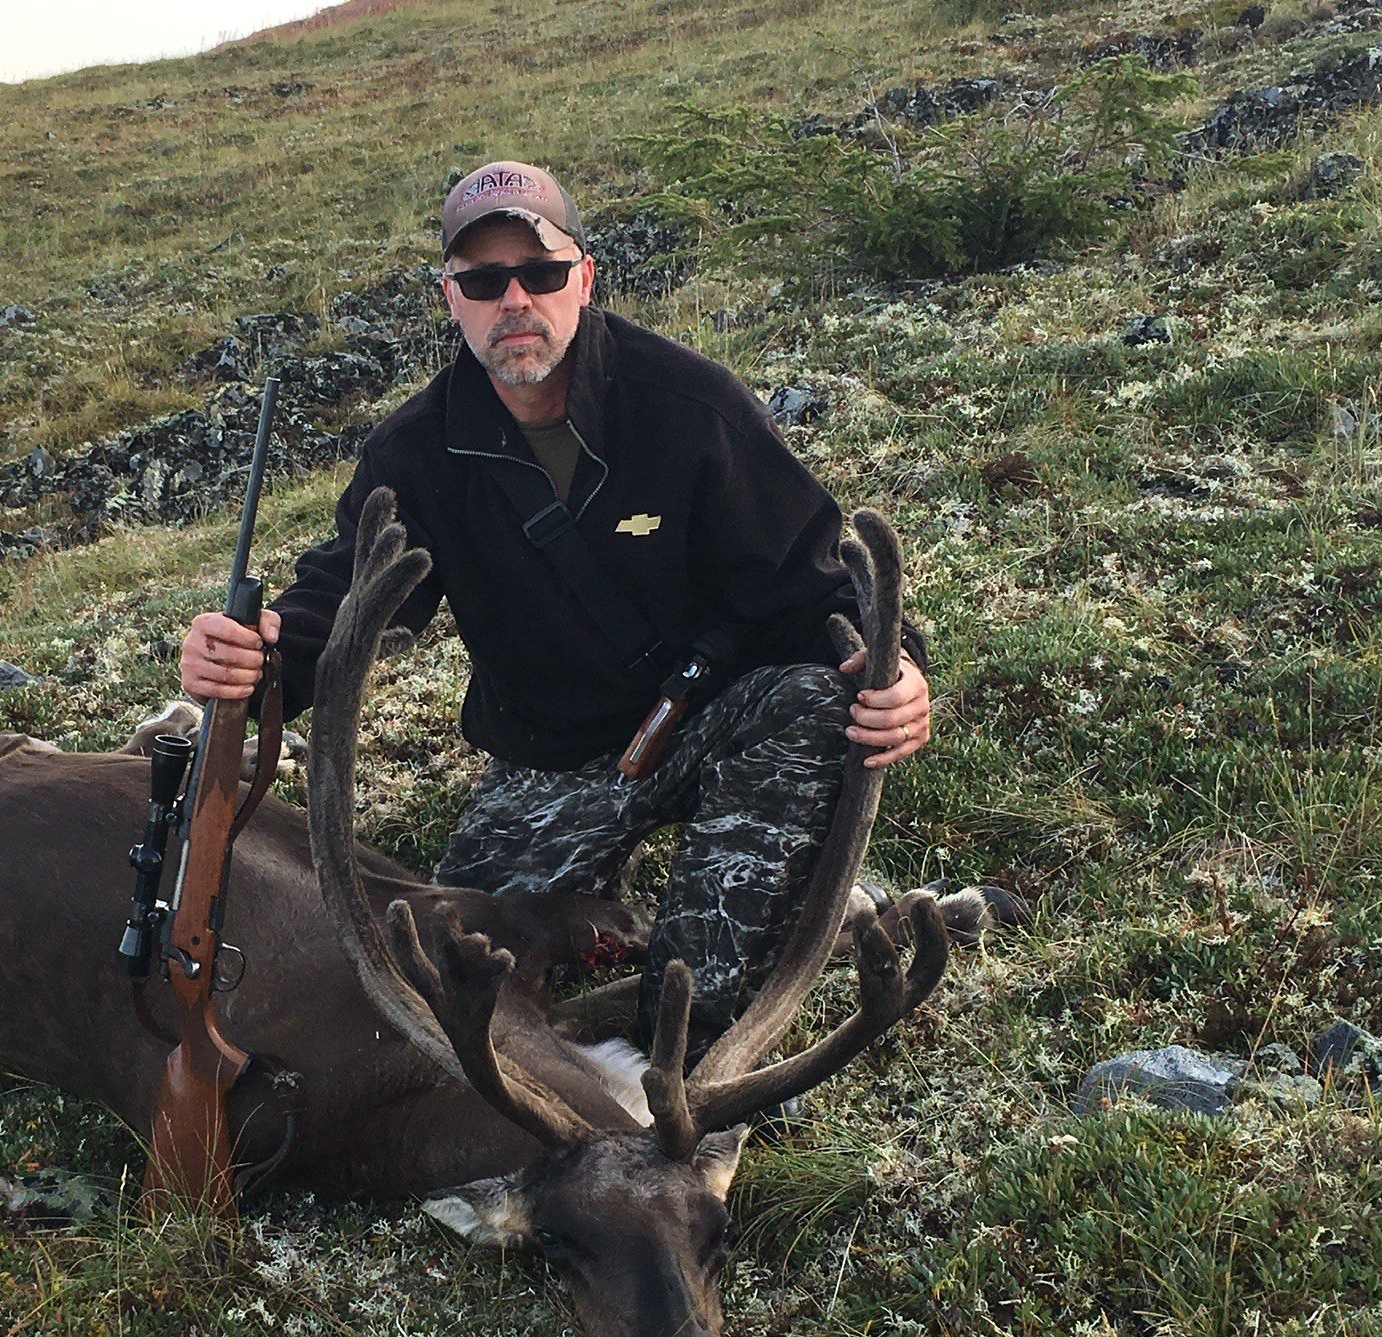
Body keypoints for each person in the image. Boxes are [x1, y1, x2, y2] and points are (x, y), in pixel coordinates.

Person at [179, 160, 932, 1053]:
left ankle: (688, 1025)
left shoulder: (690, 407)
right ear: (450, 298)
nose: (514, 301)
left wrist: (904, 671)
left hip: (713, 712)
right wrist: (260, 658)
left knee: (821, 705)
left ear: (583, 279)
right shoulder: (414, 454)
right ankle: (786, 910)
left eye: (539, 274)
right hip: (554, 758)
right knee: (451, 970)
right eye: (484, 281)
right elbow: (343, 596)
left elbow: (814, 580)